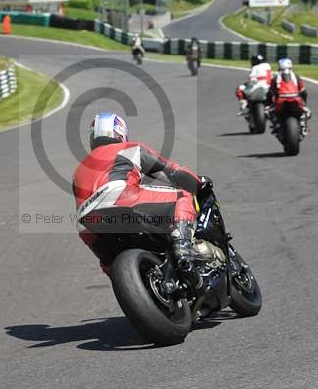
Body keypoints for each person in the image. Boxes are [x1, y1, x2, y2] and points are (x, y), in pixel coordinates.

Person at [72, 112, 216, 282]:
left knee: (109, 260)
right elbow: (172, 172)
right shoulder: (130, 148)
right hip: (120, 196)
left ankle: (121, 276)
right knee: (183, 196)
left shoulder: (78, 170)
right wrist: (198, 183)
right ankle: (183, 246)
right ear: (120, 132)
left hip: (87, 220)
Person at [268, 58, 311, 128]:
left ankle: (276, 124)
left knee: (270, 112)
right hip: (296, 99)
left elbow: (270, 93)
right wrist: (304, 103)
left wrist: (269, 104)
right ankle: (302, 122)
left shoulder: (275, 78)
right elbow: (304, 92)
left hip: (280, 101)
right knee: (307, 111)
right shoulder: (296, 77)